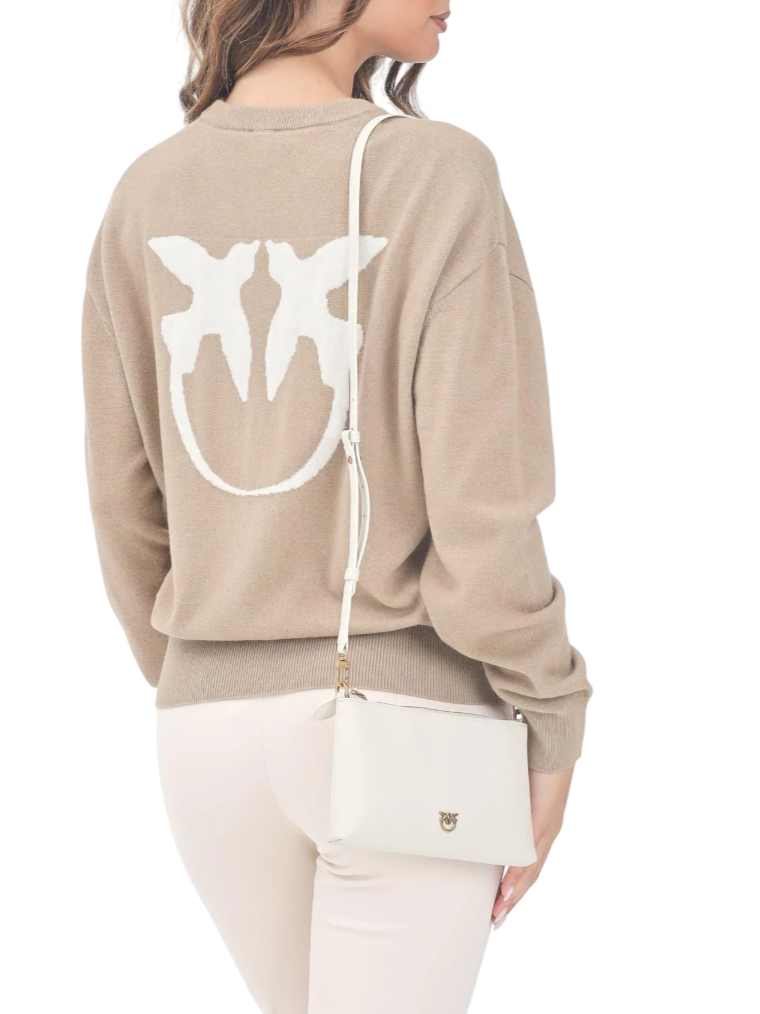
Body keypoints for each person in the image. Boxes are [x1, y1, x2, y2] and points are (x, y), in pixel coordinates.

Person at [81, 1, 593, 1010]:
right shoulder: (436, 175)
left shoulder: (145, 192)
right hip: (403, 726)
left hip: (207, 743)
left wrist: (212, 669)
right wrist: (554, 714)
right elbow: (483, 512)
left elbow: (123, 506)